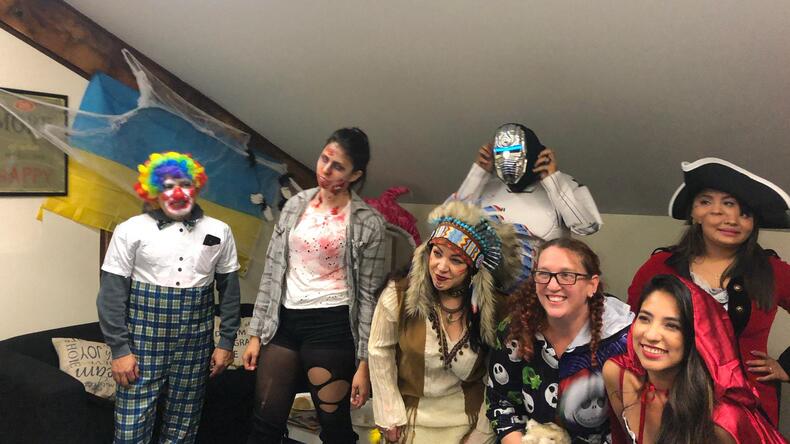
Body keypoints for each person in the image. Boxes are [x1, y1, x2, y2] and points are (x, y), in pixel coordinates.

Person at [242, 127, 387, 443]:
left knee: (334, 429)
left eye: (338, 166)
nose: (326, 169)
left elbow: (369, 299)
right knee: (264, 424)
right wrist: (255, 334)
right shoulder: (296, 204)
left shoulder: (369, 223)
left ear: (355, 174)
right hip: (283, 322)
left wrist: (365, 364)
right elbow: (272, 270)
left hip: (332, 327)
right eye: (324, 159)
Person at [627, 157, 790, 425]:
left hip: (747, 412)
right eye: (709, 204)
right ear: (694, 213)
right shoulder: (659, 266)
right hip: (671, 405)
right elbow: (630, 328)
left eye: (744, 213)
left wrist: (787, 366)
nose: (731, 220)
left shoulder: (773, 271)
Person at [97, 151, 241, 443]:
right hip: (141, 344)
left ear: (196, 187)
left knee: (183, 426)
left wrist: (226, 342)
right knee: (131, 426)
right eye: (167, 186)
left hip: (195, 344)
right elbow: (111, 295)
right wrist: (120, 350)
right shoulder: (130, 230)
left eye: (185, 184)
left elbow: (229, 292)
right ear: (153, 191)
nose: (177, 192)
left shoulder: (220, 230)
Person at [368, 201, 521, 443]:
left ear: (474, 268)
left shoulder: (495, 308)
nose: (441, 267)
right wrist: (389, 414)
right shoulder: (398, 296)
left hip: (469, 425)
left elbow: (499, 377)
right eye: (437, 253)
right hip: (410, 421)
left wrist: (482, 434)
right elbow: (379, 351)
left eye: (456, 260)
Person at [605, 274, 786, 443]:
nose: (651, 335)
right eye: (645, 318)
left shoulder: (722, 420)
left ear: (696, 337)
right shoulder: (617, 374)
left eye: (671, 325)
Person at [486, 237, 633, 443]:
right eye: (544, 274)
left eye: (566, 275)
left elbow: (632, 425)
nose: (553, 285)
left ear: (592, 285)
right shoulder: (516, 330)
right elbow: (501, 402)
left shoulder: (621, 341)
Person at [455, 124, 602, 286]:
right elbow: (451, 224)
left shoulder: (563, 182)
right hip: (491, 286)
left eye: (514, 151)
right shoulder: (487, 187)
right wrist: (478, 174)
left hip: (544, 285)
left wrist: (554, 181)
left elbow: (588, 226)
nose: (507, 159)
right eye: (501, 153)